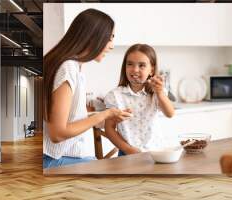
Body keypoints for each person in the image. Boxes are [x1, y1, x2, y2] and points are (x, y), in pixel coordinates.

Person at [43, 9, 132, 168]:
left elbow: (67, 118)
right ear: (92, 36)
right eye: (109, 38)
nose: (111, 46)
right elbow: (57, 133)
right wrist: (105, 114)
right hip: (56, 160)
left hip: (67, 157)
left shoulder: (74, 67)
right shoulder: (68, 67)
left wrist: (102, 116)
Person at [104, 44, 175, 156]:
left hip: (155, 152)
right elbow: (109, 129)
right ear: (125, 67)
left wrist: (160, 92)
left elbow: (170, 113)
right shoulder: (115, 96)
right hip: (128, 154)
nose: (135, 70)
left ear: (151, 69)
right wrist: (129, 150)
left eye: (141, 65)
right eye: (130, 64)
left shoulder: (156, 92)